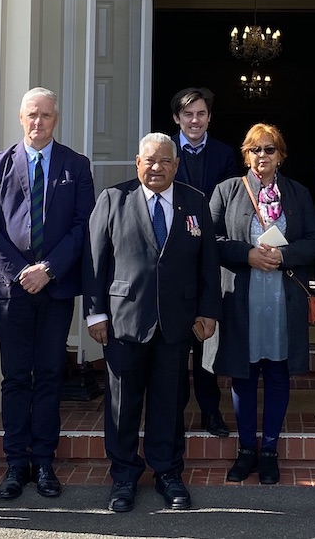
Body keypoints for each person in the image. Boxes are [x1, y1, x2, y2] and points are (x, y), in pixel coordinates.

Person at [83, 132, 221, 512]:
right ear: (137, 162)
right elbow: (94, 260)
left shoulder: (194, 201)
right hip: (124, 320)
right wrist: (95, 313)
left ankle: (168, 474)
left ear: (176, 165)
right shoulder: (113, 199)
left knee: (170, 402)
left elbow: (208, 261)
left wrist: (208, 310)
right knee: (122, 403)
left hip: (177, 322)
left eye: (165, 161)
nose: (156, 167)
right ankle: (124, 477)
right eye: (149, 160)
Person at [0, 87, 96, 501]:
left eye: (45, 115)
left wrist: (49, 269)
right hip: (11, 290)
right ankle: (14, 463)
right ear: (21, 119)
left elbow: (83, 227)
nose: (38, 122)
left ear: (55, 119)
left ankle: (43, 461)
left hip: (56, 288)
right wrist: (23, 271)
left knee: (48, 376)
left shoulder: (76, 165)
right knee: (14, 378)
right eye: (31, 115)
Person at [206, 123, 315, 484]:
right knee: (243, 376)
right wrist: (248, 255)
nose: (262, 157)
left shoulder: (298, 193)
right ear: (246, 154)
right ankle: (245, 451)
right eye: (255, 150)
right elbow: (211, 241)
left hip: (281, 301)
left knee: (276, 374)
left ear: (281, 155)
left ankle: (269, 451)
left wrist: (284, 256)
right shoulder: (226, 191)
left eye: (269, 150)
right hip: (242, 299)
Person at [170, 86, 237, 437]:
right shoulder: (164, 151)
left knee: (206, 342)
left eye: (201, 114)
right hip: (174, 257)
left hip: (210, 257)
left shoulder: (225, 154)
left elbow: (223, 201)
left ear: (209, 117)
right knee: (176, 346)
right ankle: (175, 414)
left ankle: (210, 412)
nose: (194, 121)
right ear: (177, 119)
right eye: (188, 114)